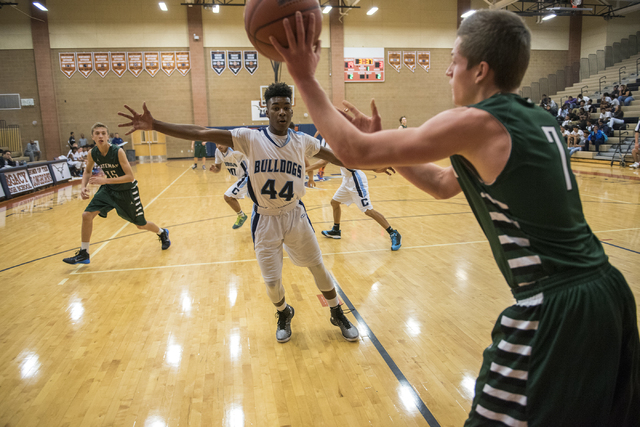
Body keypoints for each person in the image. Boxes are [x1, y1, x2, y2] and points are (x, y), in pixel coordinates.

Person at [273, 9, 640, 425]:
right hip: (608, 294)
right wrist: (381, 142)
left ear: (480, 70)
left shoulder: (480, 121)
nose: (448, 71)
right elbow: (442, 184)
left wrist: (302, 76)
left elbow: (355, 153)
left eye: (454, 60)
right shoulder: (533, 119)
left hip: (558, 306)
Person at [118, 82, 384, 343]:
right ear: (265, 109)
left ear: (292, 110)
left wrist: (376, 164)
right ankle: (283, 312)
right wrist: (156, 126)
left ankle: (336, 311)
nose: (281, 112)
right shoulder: (249, 138)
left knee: (318, 268)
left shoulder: (302, 141)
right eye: (275, 107)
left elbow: (340, 157)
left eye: (286, 107)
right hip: (265, 219)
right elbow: (201, 132)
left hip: (295, 215)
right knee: (271, 283)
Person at [63, 122, 170, 265]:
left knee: (140, 225)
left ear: (108, 136)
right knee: (86, 215)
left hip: (127, 191)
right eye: (97, 133)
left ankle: (162, 233)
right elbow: (87, 171)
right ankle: (84, 253)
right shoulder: (92, 153)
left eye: (103, 133)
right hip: (108, 190)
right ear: (92, 137)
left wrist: (104, 180)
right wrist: (83, 186)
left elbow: (130, 177)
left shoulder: (118, 151)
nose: (100, 136)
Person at [306, 147, 401, 251]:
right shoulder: (336, 144)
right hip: (347, 180)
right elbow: (324, 159)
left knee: (368, 211)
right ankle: (336, 230)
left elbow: (323, 161)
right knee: (334, 202)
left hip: (356, 180)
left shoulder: (343, 145)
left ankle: (393, 233)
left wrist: (304, 169)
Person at [209, 143, 249, 229]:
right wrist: (214, 170)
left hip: (248, 176)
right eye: (216, 143)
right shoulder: (218, 151)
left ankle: (242, 216)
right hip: (241, 178)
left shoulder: (235, 150)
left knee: (227, 196)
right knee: (258, 201)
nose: (219, 146)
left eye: (221, 142)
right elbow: (218, 168)